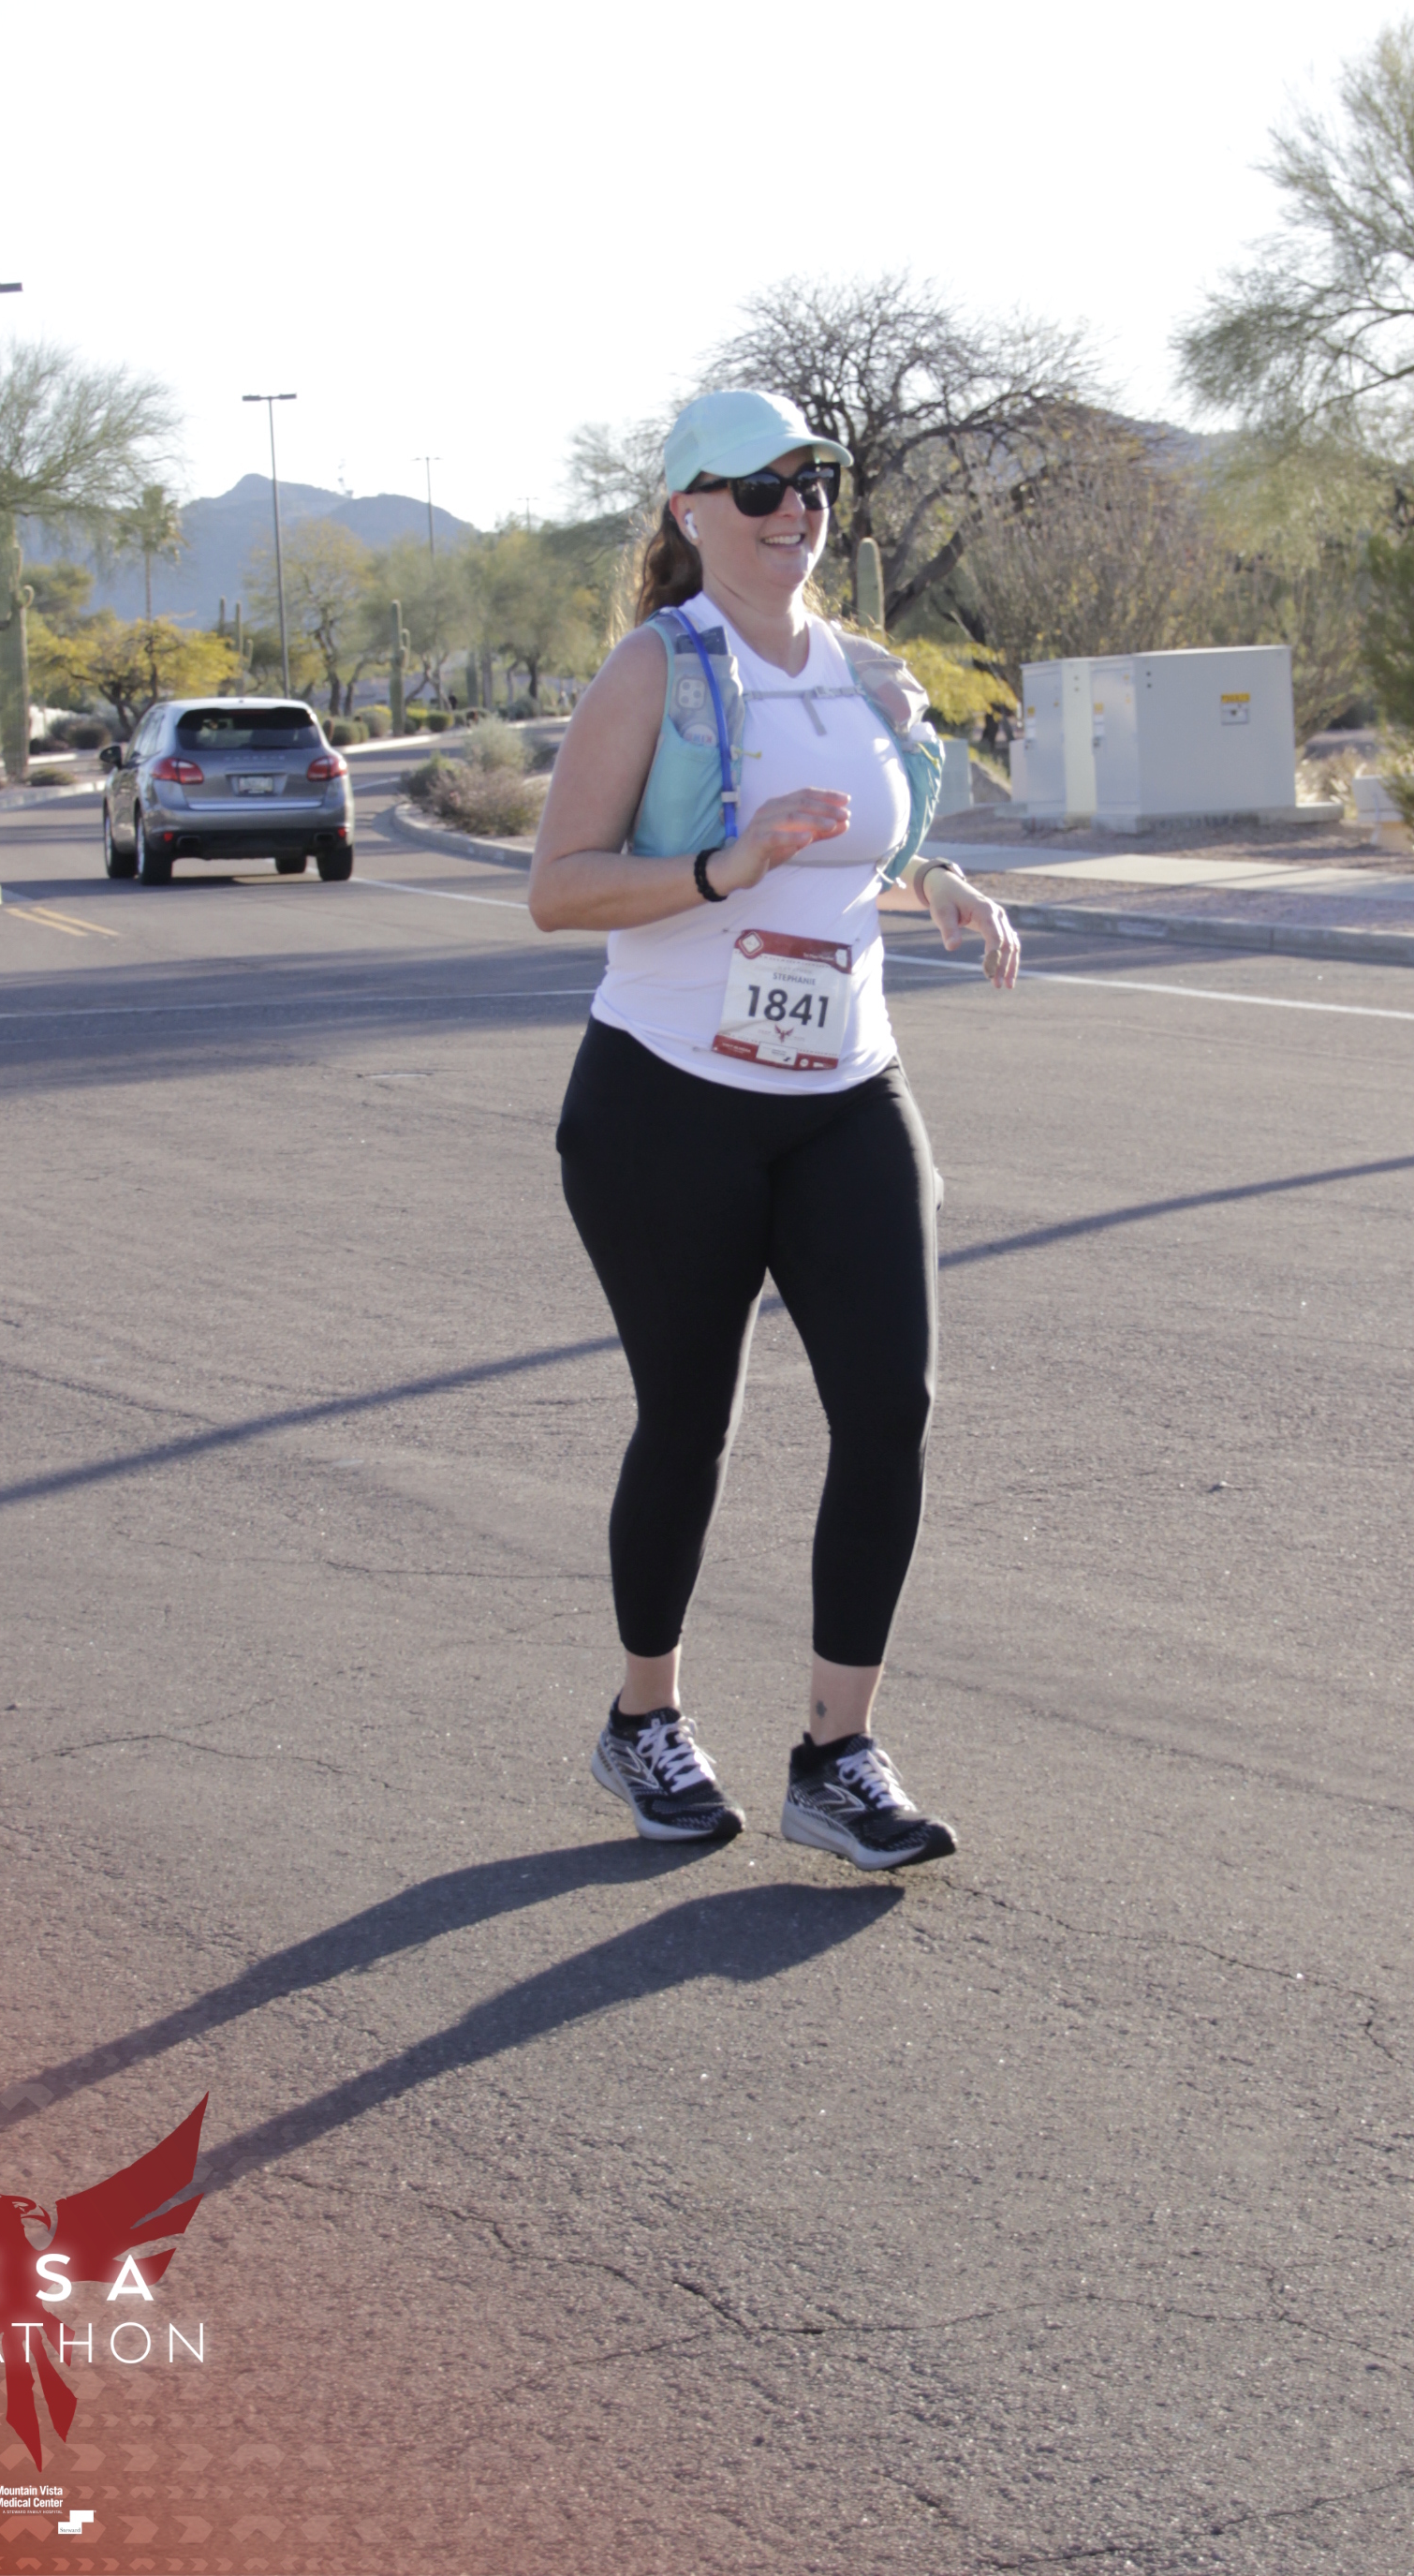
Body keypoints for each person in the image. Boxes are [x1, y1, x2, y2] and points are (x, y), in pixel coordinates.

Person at [530, 388, 1020, 1872]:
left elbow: (868, 846)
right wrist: (719, 867)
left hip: (846, 1092)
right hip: (666, 1098)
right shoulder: (656, 667)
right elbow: (561, 886)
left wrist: (939, 883)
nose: (795, 509)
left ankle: (836, 1754)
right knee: (690, 1418)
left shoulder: (867, 673)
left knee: (890, 1409)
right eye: (761, 488)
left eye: (814, 483)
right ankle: (643, 1719)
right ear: (690, 511)